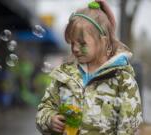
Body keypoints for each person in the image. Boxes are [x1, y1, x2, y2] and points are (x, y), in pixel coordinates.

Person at [36, 0, 143, 135]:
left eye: (82, 43)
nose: (75, 48)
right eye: (72, 43)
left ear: (103, 41)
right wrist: (49, 119)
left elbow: (129, 128)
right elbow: (44, 108)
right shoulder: (64, 75)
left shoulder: (123, 80)